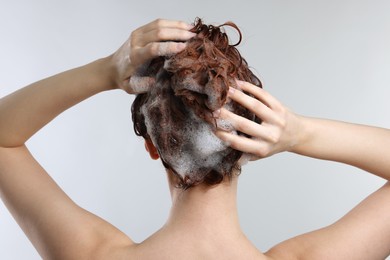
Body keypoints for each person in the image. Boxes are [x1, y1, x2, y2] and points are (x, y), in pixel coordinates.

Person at [0, 18, 389, 260]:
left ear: (153, 147)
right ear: (249, 146)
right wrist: (299, 133)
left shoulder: (90, 255)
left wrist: (105, 71)